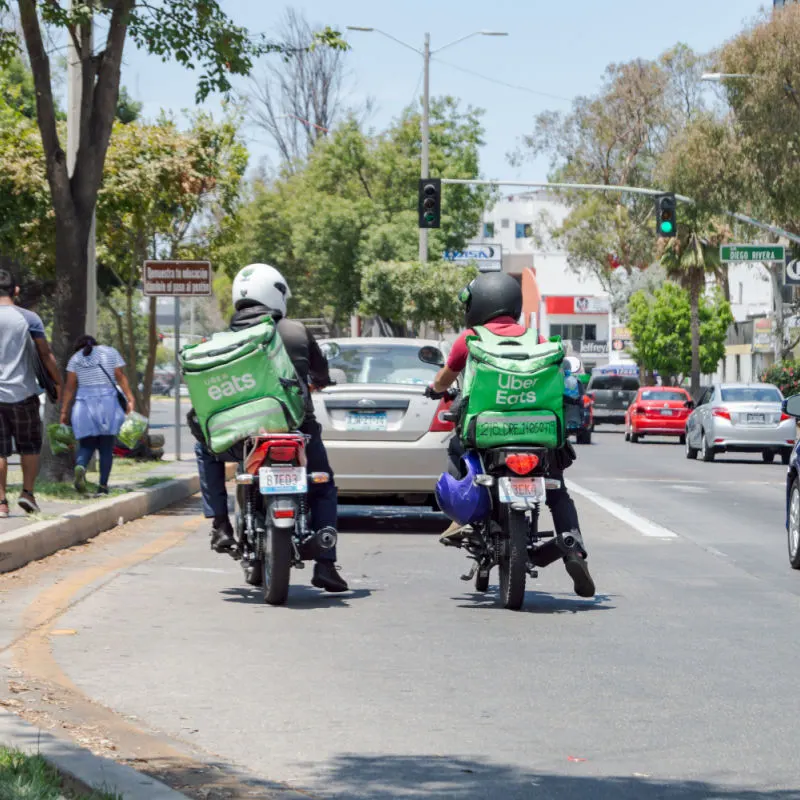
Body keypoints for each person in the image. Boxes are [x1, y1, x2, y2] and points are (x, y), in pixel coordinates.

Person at [425, 272, 595, 599]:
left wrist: (435, 389)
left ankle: (463, 520)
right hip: (540, 434)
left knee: (458, 453)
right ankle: (574, 550)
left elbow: (447, 376)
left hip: (487, 433)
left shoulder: (471, 338)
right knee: (557, 489)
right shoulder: (538, 340)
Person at [194, 263, 348, 594]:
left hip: (243, 438)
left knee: (204, 447)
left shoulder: (220, 340)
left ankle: (220, 525)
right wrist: (318, 380)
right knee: (322, 484)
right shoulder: (297, 331)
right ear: (277, 294)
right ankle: (326, 564)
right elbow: (320, 374)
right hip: (298, 432)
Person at [0, 267, 62, 517]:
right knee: (30, 447)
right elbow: (45, 355)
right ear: (16, 290)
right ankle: (27, 493)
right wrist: (58, 382)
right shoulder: (29, 318)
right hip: (24, 393)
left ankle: (1, 503)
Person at [59, 335, 135, 495]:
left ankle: (80, 466)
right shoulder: (110, 352)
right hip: (107, 403)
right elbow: (120, 377)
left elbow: (69, 388)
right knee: (106, 447)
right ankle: (103, 486)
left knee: (86, 445)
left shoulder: (75, 358)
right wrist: (130, 398)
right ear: (95, 343)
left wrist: (64, 411)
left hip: (83, 404)